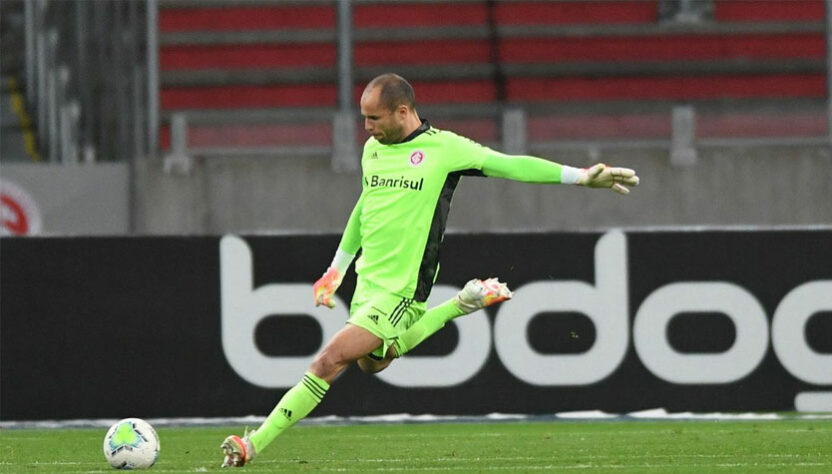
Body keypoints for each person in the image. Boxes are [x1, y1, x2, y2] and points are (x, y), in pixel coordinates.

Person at [220, 73, 639, 467]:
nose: (365, 127)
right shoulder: (374, 150)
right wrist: (337, 269)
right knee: (373, 364)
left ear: (403, 112)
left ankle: (252, 443)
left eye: (373, 118)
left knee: (328, 361)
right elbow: (364, 207)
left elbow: (511, 164)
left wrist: (581, 177)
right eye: (363, 117)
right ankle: (461, 304)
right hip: (369, 281)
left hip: (404, 289)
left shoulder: (445, 150)